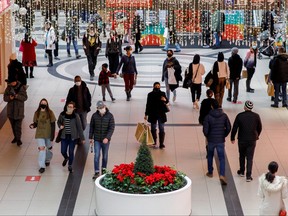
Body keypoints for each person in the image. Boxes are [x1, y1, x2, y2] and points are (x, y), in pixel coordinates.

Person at [230, 100, 262, 182]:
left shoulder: (240, 116)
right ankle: (248, 176)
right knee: (250, 158)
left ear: (244, 107)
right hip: (252, 139)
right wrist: (256, 135)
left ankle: (241, 171)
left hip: (242, 139)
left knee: (242, 155)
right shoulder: (256, 116)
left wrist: (232, 138)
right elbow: (259, 127)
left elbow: (234, 128)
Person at [203, 100, 231, 185]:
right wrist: (224, 135)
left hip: (211, 140)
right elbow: (229, 127)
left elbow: (205, 130)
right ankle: (222, 174)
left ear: (212, 107)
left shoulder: (208, 117)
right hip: (220, 140)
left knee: (210, 156)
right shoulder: (224, 116)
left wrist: (208, 136)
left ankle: (210, 172)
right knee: (221, 158)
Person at [89, 101, 115, 180]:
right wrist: (90, 137)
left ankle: (103, 170)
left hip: (105, 140)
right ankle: (97, 171)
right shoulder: (94, 116)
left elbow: (111, 128)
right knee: (96, 156)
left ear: (105, 106)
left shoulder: (110, 116)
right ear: (97, 108)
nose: (102, 109)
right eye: (100, 108)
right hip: (97, 139)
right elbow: (91, 127)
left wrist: (107, 137)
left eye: (103, 107)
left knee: (105, 156)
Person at [29, 99, 56, 173]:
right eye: (42, 103)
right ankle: (42, 166)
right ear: (40, 104)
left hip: (48, 133)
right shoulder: (37, 113)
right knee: (42, 149)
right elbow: (35, 123)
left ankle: (47, 159)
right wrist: (32, 125)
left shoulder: (50, 113)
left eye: (45, 103)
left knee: (48, 148)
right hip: (39, 134)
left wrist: (52, 135)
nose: (43, 104)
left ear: (47, 104)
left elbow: (53, 124)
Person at [57, 101, 85, 173]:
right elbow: (58, 122)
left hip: (73, 137)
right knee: (63, 151)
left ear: (74, 108)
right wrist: (60, 126)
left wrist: (82, 138)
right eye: (68, 107)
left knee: (71, 151)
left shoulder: (76, 116)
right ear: (66, 107)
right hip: (64, 136)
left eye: (71, 107)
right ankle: (66, 158)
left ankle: (70, 165)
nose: (69, 108)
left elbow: (79, 127)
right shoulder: (62, 115)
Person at [3, 77, 28, 146]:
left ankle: (19, 139)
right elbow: (5, 98)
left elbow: (25, 98)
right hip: (10, 111)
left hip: (19, 111)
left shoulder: (21, 88)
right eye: (10, 82)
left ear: (16, 81)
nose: (12, 83)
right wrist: (9, 98)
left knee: (18, 127)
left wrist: (17, 96)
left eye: (13, 82)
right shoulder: (8, 88)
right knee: (13, 126)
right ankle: (15, 137)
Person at [144, 82, 169, 149]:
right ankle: (154, 142)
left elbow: (167, 101)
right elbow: (148, 105)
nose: (157, 87)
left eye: (158, 86)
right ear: (154, 86)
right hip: (153, 114)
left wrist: (165, 99)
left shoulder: (162, 93)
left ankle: (161, 144)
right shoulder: (150, 94)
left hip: (161, 114)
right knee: (153, 128)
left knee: (161, 128)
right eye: (156, 86)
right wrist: (146, 114)